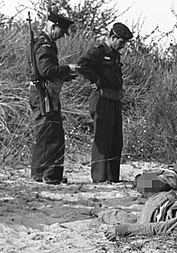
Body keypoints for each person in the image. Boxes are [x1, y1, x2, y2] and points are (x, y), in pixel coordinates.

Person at [77, 22, 134, 183]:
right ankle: (99, 177)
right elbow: (82, 65)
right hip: (102, 100)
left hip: (114, 100)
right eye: (121, 42)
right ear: (113, 37)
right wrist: (96, 80)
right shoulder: (98, 52)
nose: (122, 46)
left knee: (116, 139)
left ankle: (112, 177)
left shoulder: (115, 55)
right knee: (102, 138)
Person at [29, 11, 78, 185]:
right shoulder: (44, 45)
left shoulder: (45, 43)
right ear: (52, 26)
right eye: (61, 31)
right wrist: (67, 68)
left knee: (47, 132)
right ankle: (49, 175)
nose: (62, 36)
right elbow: (46, 71)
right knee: (51, 134)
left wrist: (67, 74)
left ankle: (42, 173)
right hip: (44, 94)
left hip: (45, 93)